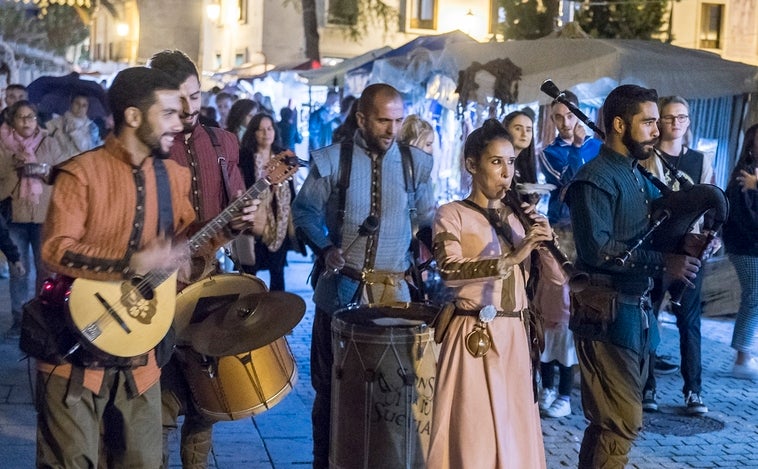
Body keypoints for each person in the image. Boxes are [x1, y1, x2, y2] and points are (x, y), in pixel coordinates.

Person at [35, 66, 196, 468]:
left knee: (142, 461)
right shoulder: (81, 173)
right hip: (74, 346)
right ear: (134, 116)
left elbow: (187, 248)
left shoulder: (174, 177)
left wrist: (227, 232)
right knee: (72, 461)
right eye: (170, 113)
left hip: (141, 350)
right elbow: (56, 250)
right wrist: (131, 263)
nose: (180, 123)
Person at [292, 83, 434, 468]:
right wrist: (326, 248)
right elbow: (303, 211)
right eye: (383, 120)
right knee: (330, 390)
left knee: (391, 394)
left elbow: (428, 222)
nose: (392, 129)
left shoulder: (415, 164)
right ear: (361, 119)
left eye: (398, 121)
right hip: (340, 292)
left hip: (395, 296)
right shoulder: (333, 160)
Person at [564, 84, 701, 468]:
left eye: (659, 121)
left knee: (609, 424)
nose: (657, 130)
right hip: (605, 317)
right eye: (649, 122)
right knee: (623, 421)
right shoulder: (594, 178)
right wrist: (664, 264)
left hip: (635, 317)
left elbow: (650, 232)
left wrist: (687, 243)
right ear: (620, 124)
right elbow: (598, 250)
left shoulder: (636, 176)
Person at [427, 119, 557, 468]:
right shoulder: (451, 214)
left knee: (515, 433)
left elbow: (556, 282)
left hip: (516, 335)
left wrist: (547, 244)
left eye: (511, 162)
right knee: (474, 435)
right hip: (474, 335)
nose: (506, 173)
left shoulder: (520, 218)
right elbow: (450, 270)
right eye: (496, 162)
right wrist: (513, 256)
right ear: (472, 164)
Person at [148, 49, 253, 468]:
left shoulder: (223, 141)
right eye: (180, 99)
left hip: (209, 283)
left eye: (196, 95)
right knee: (157, 388)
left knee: (205, 393)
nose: (191, 108)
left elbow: (238, 208)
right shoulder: (149, 145)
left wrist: (247, 214)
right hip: (155, 286)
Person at [640, 95, 716, 413]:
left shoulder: (699, 160)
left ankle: (693, 390)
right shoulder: (646, 159)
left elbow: (713, 203)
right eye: (669, 117)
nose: (675, 123)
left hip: (690, 249)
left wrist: (713, 237)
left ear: (688, 121)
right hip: (657, 248)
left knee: (689, 320)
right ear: (660, 122)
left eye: (681, 117)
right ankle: (647, 388)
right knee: (649, 317)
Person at [0, 100, 68, 339]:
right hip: (15, 217)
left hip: (43, 215)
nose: (27, 122)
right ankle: (19, 318)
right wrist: (13, 169)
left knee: (45, 269)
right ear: (13, 120)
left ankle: (42, 316)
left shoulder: (49, 143)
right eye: (21, 117)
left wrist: (44, 171)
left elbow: (62, 175)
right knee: (18, 269)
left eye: (31, 117)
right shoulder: (4, 145)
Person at [239, 112, 297, 291]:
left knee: (277, 271)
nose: (266, 133)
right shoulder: (245, 157)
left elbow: (291, 190)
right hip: (252, 220)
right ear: (253, 133)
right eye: (261, 129)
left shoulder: (283, 155)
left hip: (279, 220)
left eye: (270, 128)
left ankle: (277, 313)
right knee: (249, 271)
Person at [723, 123, 758, 380]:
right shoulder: (744, 175)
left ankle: (744, 353)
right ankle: (742, 357)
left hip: (750, 245)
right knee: (754, 296)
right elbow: (744, 217)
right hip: (747, 247)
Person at [539, 90, 602, 224]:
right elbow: (568, 183)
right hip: (565, 223)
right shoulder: (548, 153)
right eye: (559, 117)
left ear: (578, 115)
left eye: (570, 115)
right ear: (552, 120)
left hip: (597, 218)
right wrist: (576, 147)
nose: (565, 123)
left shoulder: (597, 146)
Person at [45, 92, 103, 158]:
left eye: (84, 105)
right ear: (71, 104)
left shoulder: (92, 127)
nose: (80, 108)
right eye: (77, 103)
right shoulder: (56, 123)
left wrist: (74, 131)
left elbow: (87, 150)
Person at [503, 109, 539, 185]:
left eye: (528, 130)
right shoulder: (498, 165)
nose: (524, 134)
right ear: (506, 130)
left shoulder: (525, 166)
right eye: (518, 129)